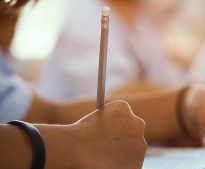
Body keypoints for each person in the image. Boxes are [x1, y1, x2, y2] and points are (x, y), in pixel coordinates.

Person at [0, 0, 205, 169]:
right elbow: (119, 92)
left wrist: (184, 107)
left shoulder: (141, 25)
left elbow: (39, 112)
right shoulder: (86, 16)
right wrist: (75, 148)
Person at [37, 0, 184, 101]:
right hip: (73, 142)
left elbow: (170, 79)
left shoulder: (141, 25)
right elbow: (114, 96)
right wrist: (187, 99)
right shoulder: (86, 16)